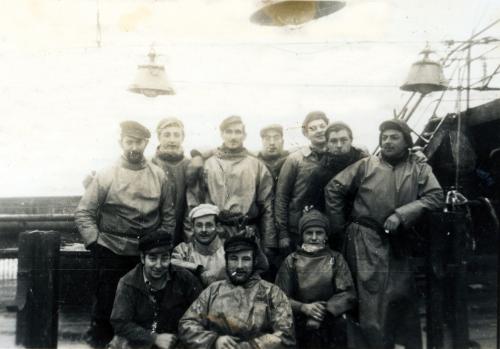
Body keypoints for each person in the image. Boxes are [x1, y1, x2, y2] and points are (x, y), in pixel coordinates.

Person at [325, 119, 444, 349]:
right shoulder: (366, 165)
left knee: (401, 298)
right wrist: (339, 229)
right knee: (369, 304)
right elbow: (333, 189)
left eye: (394, 137)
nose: (387, 142)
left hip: (398, 242)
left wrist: (401, 215)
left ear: (407, 142)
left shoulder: (419, 167)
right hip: (364, 241)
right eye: (384, 137)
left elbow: (435, 196)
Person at [75, 121, 176, 348]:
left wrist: (160, 247)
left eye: (138, 142)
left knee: (147, 305)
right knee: (106, 305)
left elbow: (168, 215)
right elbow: (84, 212)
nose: (134, 147)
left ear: (146, 143)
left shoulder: (159, 175)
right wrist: (96, 244)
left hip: (146, 253)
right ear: (121, 142)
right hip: (111, 248)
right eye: (129, 141)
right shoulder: (106, 174)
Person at [178, 235, 296, 349]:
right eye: (234, 258)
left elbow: (285, 335)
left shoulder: (272, 293)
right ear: (226, 261)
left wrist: (246, 347)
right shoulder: (212, 291)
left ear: (254, 262)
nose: (239, 266)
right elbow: (187, 324)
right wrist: (214, 341)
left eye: (246, 259)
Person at [188, 115, 277, 260]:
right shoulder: (209, 165)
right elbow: (195, 203)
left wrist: (269, 242)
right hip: (216, 234)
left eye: (237, 132)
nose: (233, 137)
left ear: (244, 135)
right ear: (222, 134)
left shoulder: (256, 165)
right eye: (229, 132)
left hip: (248, 232)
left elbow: (267, 206)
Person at [275, 209, 356, 349]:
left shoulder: (335, 259)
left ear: (326, 236)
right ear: (302, 235)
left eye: (319, 233)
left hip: (329, 315)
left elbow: (347, 293)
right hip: (299, 316)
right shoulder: (291, 261)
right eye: (309, 233)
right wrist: (303, 308)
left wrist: (320, 312)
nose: (314, 238)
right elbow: (279, 296)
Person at [109, 230, 202, 349]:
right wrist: (154, 338)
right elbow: (120, 323)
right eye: (153, 258)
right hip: (141, 340)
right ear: (143, 258)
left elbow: (200, 313)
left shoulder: (185, 279)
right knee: (119, 342)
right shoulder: (128, 283)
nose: (158, 265)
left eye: (164, 258)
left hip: (175, 340)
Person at [275, 111, 330, 254]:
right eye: (313, 128)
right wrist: (283, 234)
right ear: (305, 134)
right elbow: (281, 197)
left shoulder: (337, 156)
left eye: (322, 126)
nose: (319, 131)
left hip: (329, 227)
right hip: (298, 229)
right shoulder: (296, 159)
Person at [303, 121, 368, 213]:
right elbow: (315, 207)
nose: (339, 145)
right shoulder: (320, 172)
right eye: (333, 141)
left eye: (343, 140)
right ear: (327, 143)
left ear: (351, 140)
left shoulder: (366, 163)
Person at [152, 117, 191, 244]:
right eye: (167, 135)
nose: (172, 140)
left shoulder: (189, 165)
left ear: (182, 137)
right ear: (159, 137)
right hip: (155, 230)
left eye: (176, 135)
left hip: (183, 231)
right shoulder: (150, 164)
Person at [171, 203, 226, 286]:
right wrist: (197, 269)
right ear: (192, 228)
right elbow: (171, 263)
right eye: (199, 225)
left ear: (218, 227)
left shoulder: (227, 249)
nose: (203, 230)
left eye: (209, 225)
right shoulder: (184, 250)